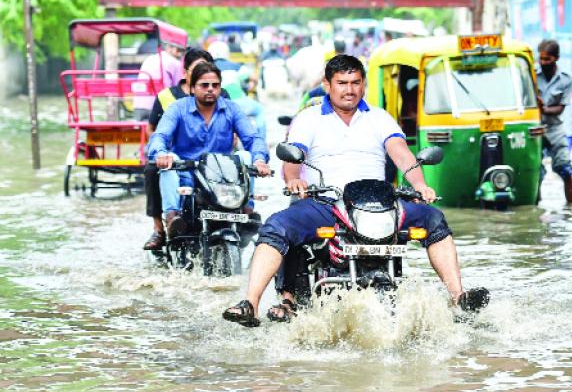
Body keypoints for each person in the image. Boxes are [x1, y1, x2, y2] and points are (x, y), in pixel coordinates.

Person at [222, 55, 488, 327]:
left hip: (381, 205)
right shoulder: (308, 118)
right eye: (342, 83)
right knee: (275, 225)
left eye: (355, 82)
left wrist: (420, 185)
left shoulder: (380, 118)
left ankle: (458, 298)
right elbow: (293, 157)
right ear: (327, 84)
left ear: (364, 85)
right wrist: (294, 180)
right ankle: (251, 303)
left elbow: (402, 155)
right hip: (325, 204)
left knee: (434, 219)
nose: (349, 89)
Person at [147, 62, 271, 236]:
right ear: (192, 88)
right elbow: (160, 135)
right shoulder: (178, 108)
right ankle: (172, 216)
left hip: (224, 176)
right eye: (204, 85)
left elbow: (253, 138)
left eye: (215, 85)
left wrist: (259, 160)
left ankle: (247, 208)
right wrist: (161, 154)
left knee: (245, 155)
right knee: (169, 159)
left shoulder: (232, 109)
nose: (210, 89)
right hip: (187, 174)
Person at [142, 48, 228, 250]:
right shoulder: (167, 98)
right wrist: (161, 151)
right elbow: (153, 130)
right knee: (153, 169)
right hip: (175, 157)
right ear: (186, 72)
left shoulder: (220, 96)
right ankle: (160, 228)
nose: (209, 87)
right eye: (197, 70)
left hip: (212, 158)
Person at [536, 39, 572, 204]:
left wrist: (543, 108)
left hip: (555, 128)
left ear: (556, 58)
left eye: (548, 59)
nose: (543, 62)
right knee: (534, 172)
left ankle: (571, 208)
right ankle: (536, 205)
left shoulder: (566, 79)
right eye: (541, 59)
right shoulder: (531, 75)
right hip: (535, 128)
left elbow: (560, 108)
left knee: (565, 169)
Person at [207, 41, 267, 143]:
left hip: (213, 106)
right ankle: (261, 141)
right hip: (238, 103)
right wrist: (250, 87)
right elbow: (254, 78)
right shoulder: (236, 67)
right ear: (226, 53)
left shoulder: (204, 69)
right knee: (260, 110)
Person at [133, 43, 183, 121]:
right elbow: (179, 89)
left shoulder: (149, 59)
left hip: (139, 107)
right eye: (180, 50)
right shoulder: (176, 63)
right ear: (171, 49)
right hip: (160, 108)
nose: (181, 54)